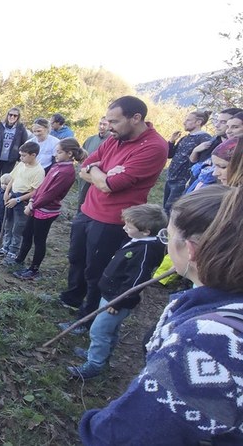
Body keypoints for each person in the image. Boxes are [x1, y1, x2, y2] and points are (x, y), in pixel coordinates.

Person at [79, 184, 243, 445]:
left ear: (191, 250)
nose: (165, 244)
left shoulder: (204, 344)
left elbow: (131, 433)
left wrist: (93, 427)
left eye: (168, 236)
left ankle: (95, 362)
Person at [59, 96, 168, 333]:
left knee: (96, 269)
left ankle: (87, 318)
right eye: (108, 121)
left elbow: (112, 185)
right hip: (87, 210)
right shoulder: (115, 139)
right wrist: (101, 172)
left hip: (111, 219)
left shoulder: (154, 147)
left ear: (136, 118)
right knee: (76, 257)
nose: (109, 127)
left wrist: (99, 174)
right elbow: (85, 166)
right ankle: (72, 297)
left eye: (115, 121)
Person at [65, 203, 167, 379]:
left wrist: (119, 302)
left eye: (129, 225)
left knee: (99, 330)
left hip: (117, 299)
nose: (124, 227)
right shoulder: (139, 242)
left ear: (146, 231)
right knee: (110, 330)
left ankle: (94, 365)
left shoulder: (145, 251)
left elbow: (136, 281)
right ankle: (101, 356)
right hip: (112, 295)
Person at [12, 139, 87, 279]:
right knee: (27, 234)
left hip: (46, 211)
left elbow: (50, 194)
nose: (55, 155)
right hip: (36, 206)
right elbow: (43, 186)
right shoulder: (57, 166)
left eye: (59, 152)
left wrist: (32, 205)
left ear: (69, 153)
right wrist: (32, 201)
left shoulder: (67, 171)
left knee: (39, 239)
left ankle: (34, 269)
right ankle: (18, 260)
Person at [0, 142, 44, 265]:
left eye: (23, 155)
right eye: (20, 155)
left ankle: (13, 251)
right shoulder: (21, 165)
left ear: (33, 155)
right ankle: (5, 247)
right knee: (8, 224)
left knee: (18, 227)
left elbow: (34, 192)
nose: (21, 158)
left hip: (22, 201)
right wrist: (7, 192)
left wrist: (17, 200)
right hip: (12, 195)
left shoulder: (39, 171)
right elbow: (13, 178)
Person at [163, 110, 213, 213]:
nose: (184, 122)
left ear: (198, 122)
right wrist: (172, 141)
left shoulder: (204, 138)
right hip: (171, 178)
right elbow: (170, 155)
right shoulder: (185, 138)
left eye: (188, 120)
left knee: (172, 210)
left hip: (183, 180)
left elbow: (204, 162)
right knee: (165, 208)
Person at [0, 107, 30, 192]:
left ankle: (3, 198)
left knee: (6, 180)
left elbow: (24, 144)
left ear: (18, 117)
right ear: (7, 115)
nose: (12, 117)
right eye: (10, 115)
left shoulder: (21, 129)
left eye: (15, 115)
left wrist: (18, 157)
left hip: (10, 159)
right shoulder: (1, 126)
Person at [76, 117, 110, 212]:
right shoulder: (91, 139)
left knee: (92, 199)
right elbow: (81, 154)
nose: (102, 127)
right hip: (84, 172)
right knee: (81, 196)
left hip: (98, 175)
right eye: (100, 124)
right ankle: (79, 216)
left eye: (104, 124)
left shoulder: (112, 141)